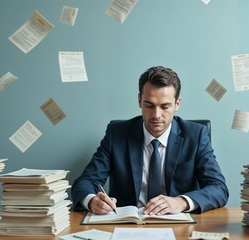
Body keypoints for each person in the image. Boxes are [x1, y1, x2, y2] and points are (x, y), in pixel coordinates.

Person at [71, 66, 228, 216]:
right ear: (139, 100)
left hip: (179, 224)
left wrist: (181, 202)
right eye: (149, 105)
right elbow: (85, 182)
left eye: (165, 106)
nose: (156, 115)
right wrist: (91, 201)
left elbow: (219, 188)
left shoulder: (196, 135)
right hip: (127, 225)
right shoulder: (116, 134)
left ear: (177, 104)